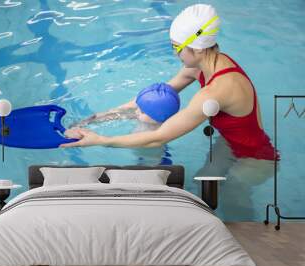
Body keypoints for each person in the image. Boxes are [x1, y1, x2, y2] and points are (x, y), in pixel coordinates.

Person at [61, 3, 278, 163]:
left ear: (199, 49)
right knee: (205, 186)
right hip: (229, 142)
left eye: (177, 47)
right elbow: (144, 102)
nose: (175, 54)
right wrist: (89, 122)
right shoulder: (205, 64)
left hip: (254, 158)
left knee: (235, 208)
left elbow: (157, 139)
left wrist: (100, 140)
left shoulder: (216, 92)